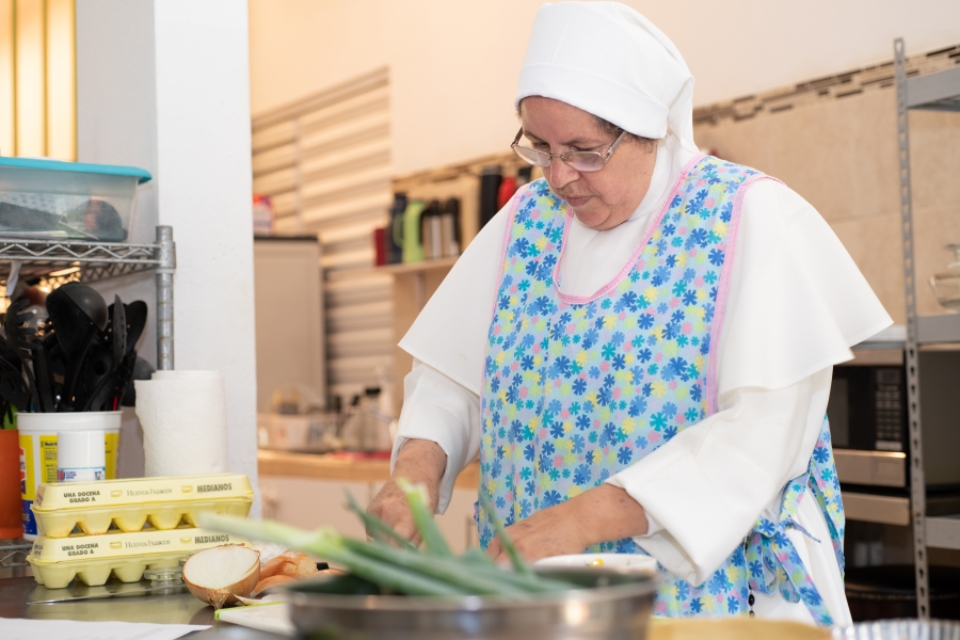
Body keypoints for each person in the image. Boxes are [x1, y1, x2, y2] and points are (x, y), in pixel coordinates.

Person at [368, 1, 891, 626]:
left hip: (709, 603)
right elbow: (455, 381)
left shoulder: (744, 216)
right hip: (537, 599)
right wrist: (414, 474)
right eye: (541, 147)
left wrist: (580, 521)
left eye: (585, 151)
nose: (559, 177)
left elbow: (760, 437)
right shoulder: (525, 222)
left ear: (648, 127)